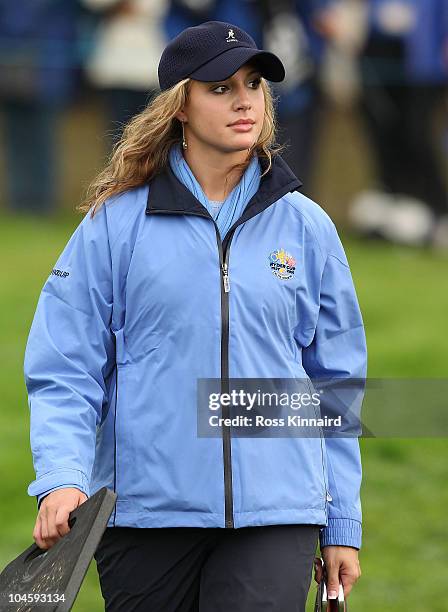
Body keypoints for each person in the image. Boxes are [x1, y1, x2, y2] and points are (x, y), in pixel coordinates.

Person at [24, 21, 366, 611]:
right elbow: (65, 366)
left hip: (278, 512)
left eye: (255, 84)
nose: (244, 101)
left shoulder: (308, 227)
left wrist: (341, 523)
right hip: (145, 512)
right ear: (178, 105)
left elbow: (334, 386)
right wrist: (61, 476)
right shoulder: (114, 225)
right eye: (220, 87)